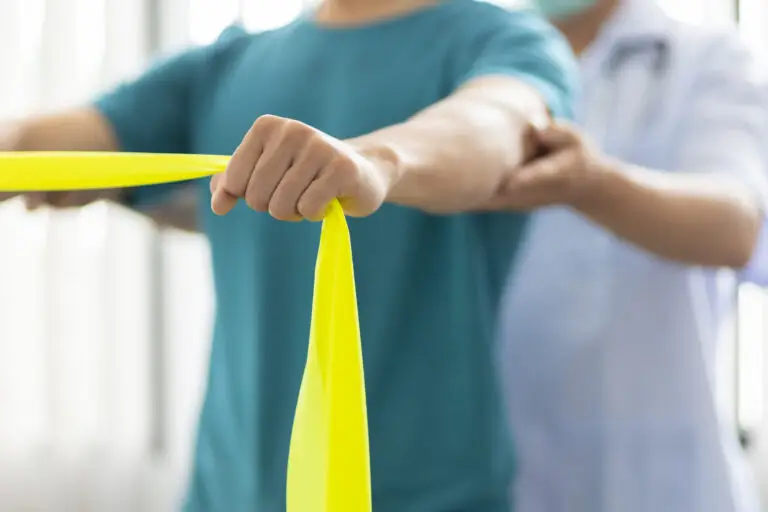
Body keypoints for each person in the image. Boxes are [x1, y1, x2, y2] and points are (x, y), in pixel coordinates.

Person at [0, 1, 577, 510]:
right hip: (223, 494)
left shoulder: (501, 40)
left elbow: (495, 128)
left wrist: (376, 162)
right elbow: (53, 138)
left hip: (428, 494)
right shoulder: (224, 65)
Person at [491, 0, 768, 511]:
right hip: (501, 471)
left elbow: (734, 227)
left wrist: (591, 185)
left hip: (661, 478)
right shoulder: (481, 59)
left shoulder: (707, 59)